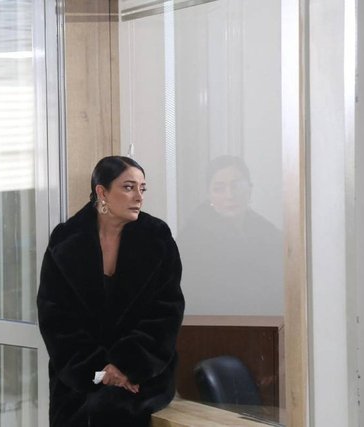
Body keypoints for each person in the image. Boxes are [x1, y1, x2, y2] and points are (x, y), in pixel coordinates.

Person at [37, 156, 185, 426]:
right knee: (78, 413)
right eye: (128, 187)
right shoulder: (65, 241)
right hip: (79, 373)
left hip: (142, 373)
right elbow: (55, 318)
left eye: (142, 188)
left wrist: (124, 365)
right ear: (102, 192)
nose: (139, 197)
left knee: (110, 411)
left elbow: (166, 313)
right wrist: (98, 369)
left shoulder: (157, 238)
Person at [177, 155, 283, 315]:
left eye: (237, 186)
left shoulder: (268, 233)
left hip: (265, 323)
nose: (230, 195)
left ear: (250, 189)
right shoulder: (191, 240)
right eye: (219, 189)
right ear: (209, 195)